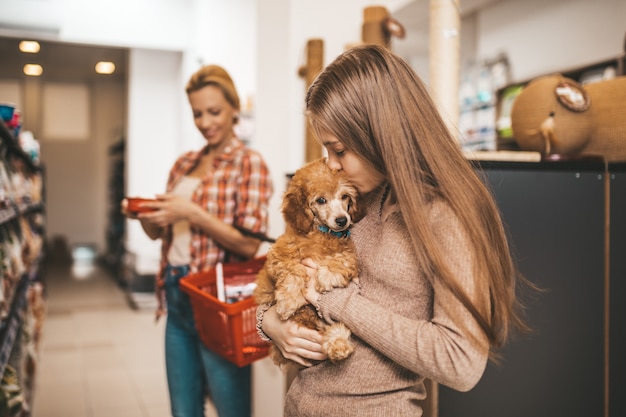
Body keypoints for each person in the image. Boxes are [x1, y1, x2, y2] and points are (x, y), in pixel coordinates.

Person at [256, 44, 532, 416]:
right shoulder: (359, 195)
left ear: (379, 135)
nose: (332, 166)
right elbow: (284, 272)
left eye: (339, 150)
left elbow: (459, 362)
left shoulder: (444, 216)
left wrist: (337, 302)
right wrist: (269, 322)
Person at [121, 64, 273, 417]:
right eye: (197, 114)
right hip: (176, 292)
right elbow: (162, 232)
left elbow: (249, 245)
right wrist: (146, 216)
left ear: (234, 108)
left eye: (214, 112)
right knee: (183, 410)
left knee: (231, 407)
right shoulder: (184, 164)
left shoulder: (249, 163)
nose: (205, 122)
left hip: (214, 302)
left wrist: (192, 212)